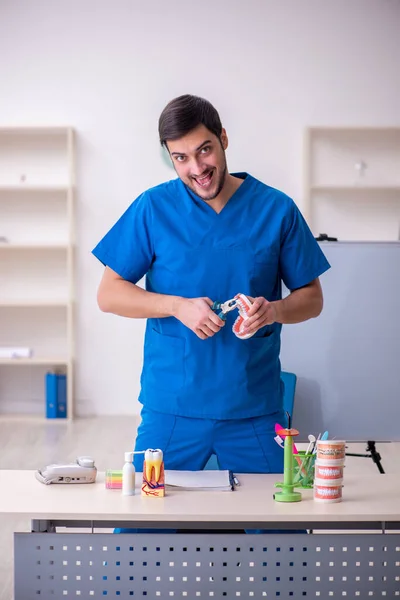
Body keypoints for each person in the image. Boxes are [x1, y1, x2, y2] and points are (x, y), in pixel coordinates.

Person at [92, 94, 330, 476]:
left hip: (253, 407)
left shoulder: (276, 209)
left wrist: (274, 310)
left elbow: (312, 298)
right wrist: (176, 306)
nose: (197, 168)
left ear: (223, 138)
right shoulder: (153, 209)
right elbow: (109, 294)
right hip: (171, 408)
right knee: (142, 529)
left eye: (204, 150)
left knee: (280, 530)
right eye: (181, 158)